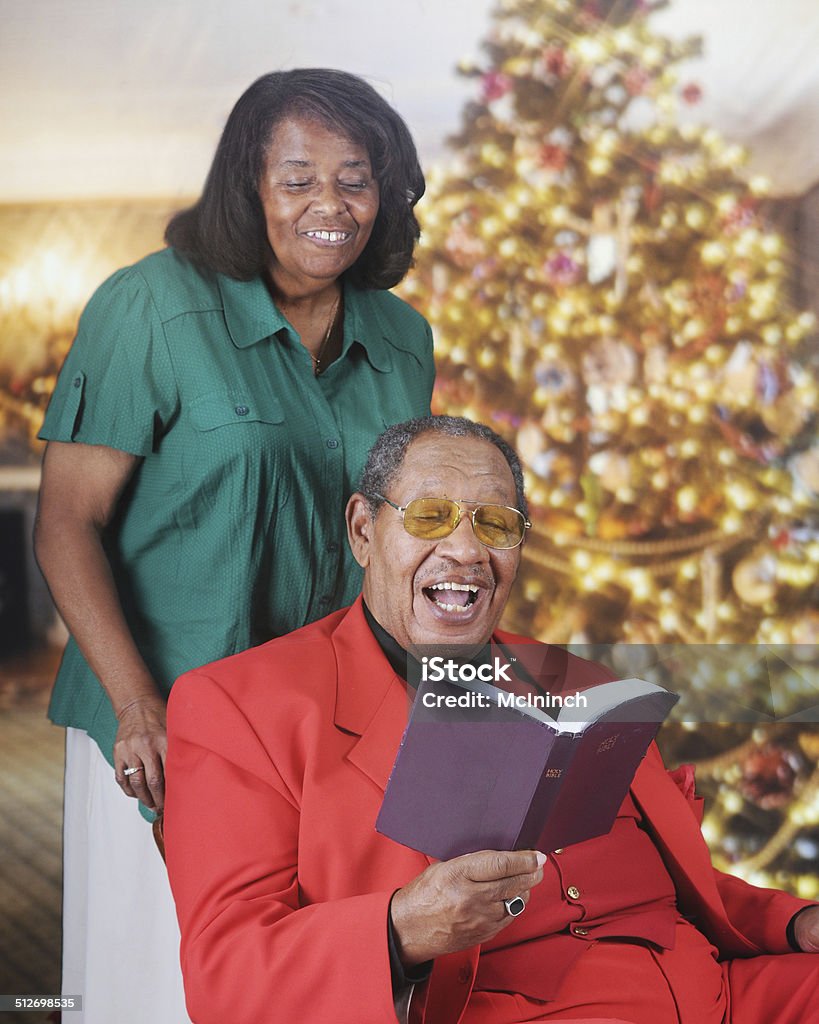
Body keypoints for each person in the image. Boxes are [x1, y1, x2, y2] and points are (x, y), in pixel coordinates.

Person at [164, 415, 819, 1024]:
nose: (465, 549)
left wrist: (793, 923)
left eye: (495, 523)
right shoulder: (239, 705)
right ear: (363, 531)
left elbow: (676, 882)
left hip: (727, 998)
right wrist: (400, 928)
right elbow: (225, 974)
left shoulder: (571, 680)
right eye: (429, 516)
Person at [33, 69, 434, 1024]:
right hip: (169, 717)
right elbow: (66, 525)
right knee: (164, 987)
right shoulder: (149, 307)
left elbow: (394, 534)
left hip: (326, 721)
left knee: (318, 974)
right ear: (246, 185)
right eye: (297, 178)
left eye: (356, 178)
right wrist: (138, 707)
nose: (330, 205)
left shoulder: (404, 335)